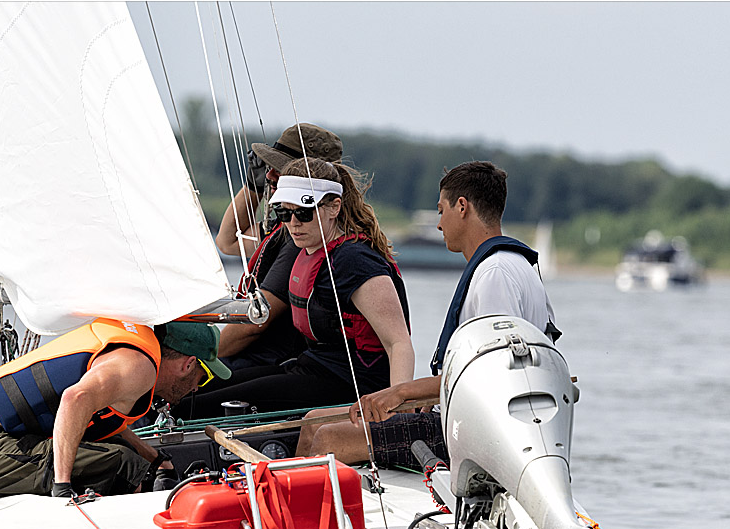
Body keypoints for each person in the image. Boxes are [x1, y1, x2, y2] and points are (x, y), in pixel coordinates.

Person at [298, 160, 560, 468]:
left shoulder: (494, 274)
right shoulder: (519, 265)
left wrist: (401, 392)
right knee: (313, 421)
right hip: (471, 417)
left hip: (476, 432)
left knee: (329, 438)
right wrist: (423, 397)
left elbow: (491, 374)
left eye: (441, 210)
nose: (439, 224)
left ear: (462, 207)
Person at [175, 158, 414, 419]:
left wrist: (397, 410)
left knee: (196, 407)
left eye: (303, 212)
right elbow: (227, 239)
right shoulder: (309, 250)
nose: (293, 223)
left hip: (351, 383)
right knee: (191, 390)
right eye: (284, 213)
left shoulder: (354, 262)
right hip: (311, 367)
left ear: (334, 207)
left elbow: (398, 342)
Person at [0, 319, 230, 498]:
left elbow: (102, 420)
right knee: (123, 465)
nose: (196, 387)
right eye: (201, 377)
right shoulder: (139, 367)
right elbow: (74, 400)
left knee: (134, 460)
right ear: (188, 364)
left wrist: (155, 458)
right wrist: (62, 485)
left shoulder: (132, 354)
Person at [212, 123, 344, 374]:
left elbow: (254, 324)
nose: (270, 175)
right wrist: (254, 186)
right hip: (252, 357)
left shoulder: (301, 239)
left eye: (281, 169)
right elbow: (228, 241)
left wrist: (202, 357)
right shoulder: (286, 229)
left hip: (268, 362)